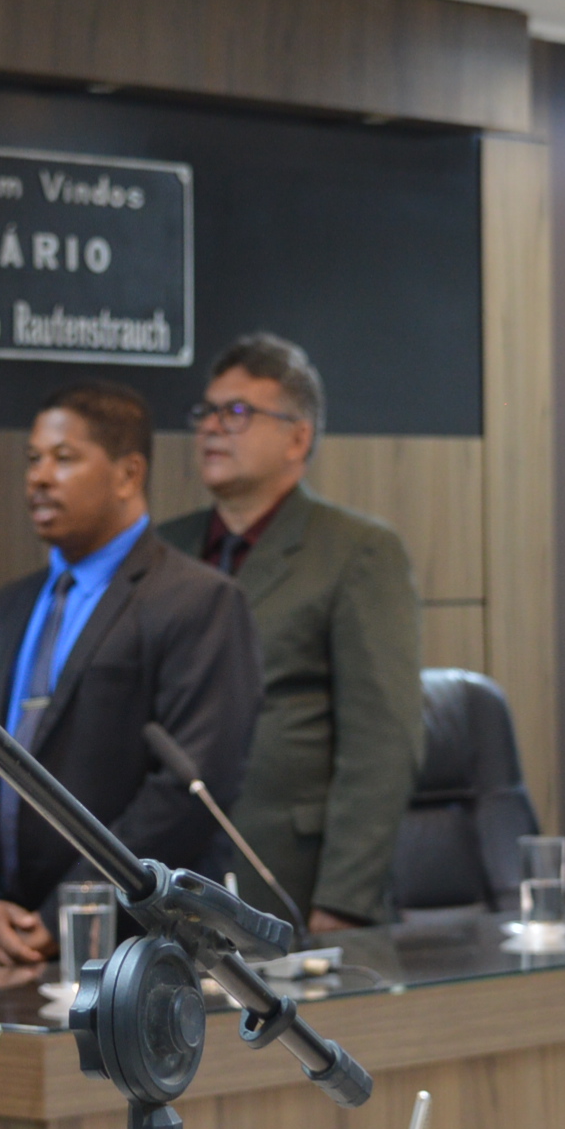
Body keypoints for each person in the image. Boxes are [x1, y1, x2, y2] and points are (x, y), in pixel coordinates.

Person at [0, 379, 262, 968]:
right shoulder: (6, 608)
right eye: (33, 459)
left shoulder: (199, 601)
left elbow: (189, 787)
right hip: (3, 946)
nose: (39, 478)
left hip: (141, 948)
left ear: (128, 475)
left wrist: (74, 907)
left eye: (64, 458)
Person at [155, 333, 421, 931]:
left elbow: (383, 741)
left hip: (290, 882)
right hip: (166, 880)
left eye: (237, 412)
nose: (212, 427)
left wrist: (344, 901)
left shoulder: (357, 551)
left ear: (297, 437)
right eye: (206, 411)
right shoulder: (163, 550)